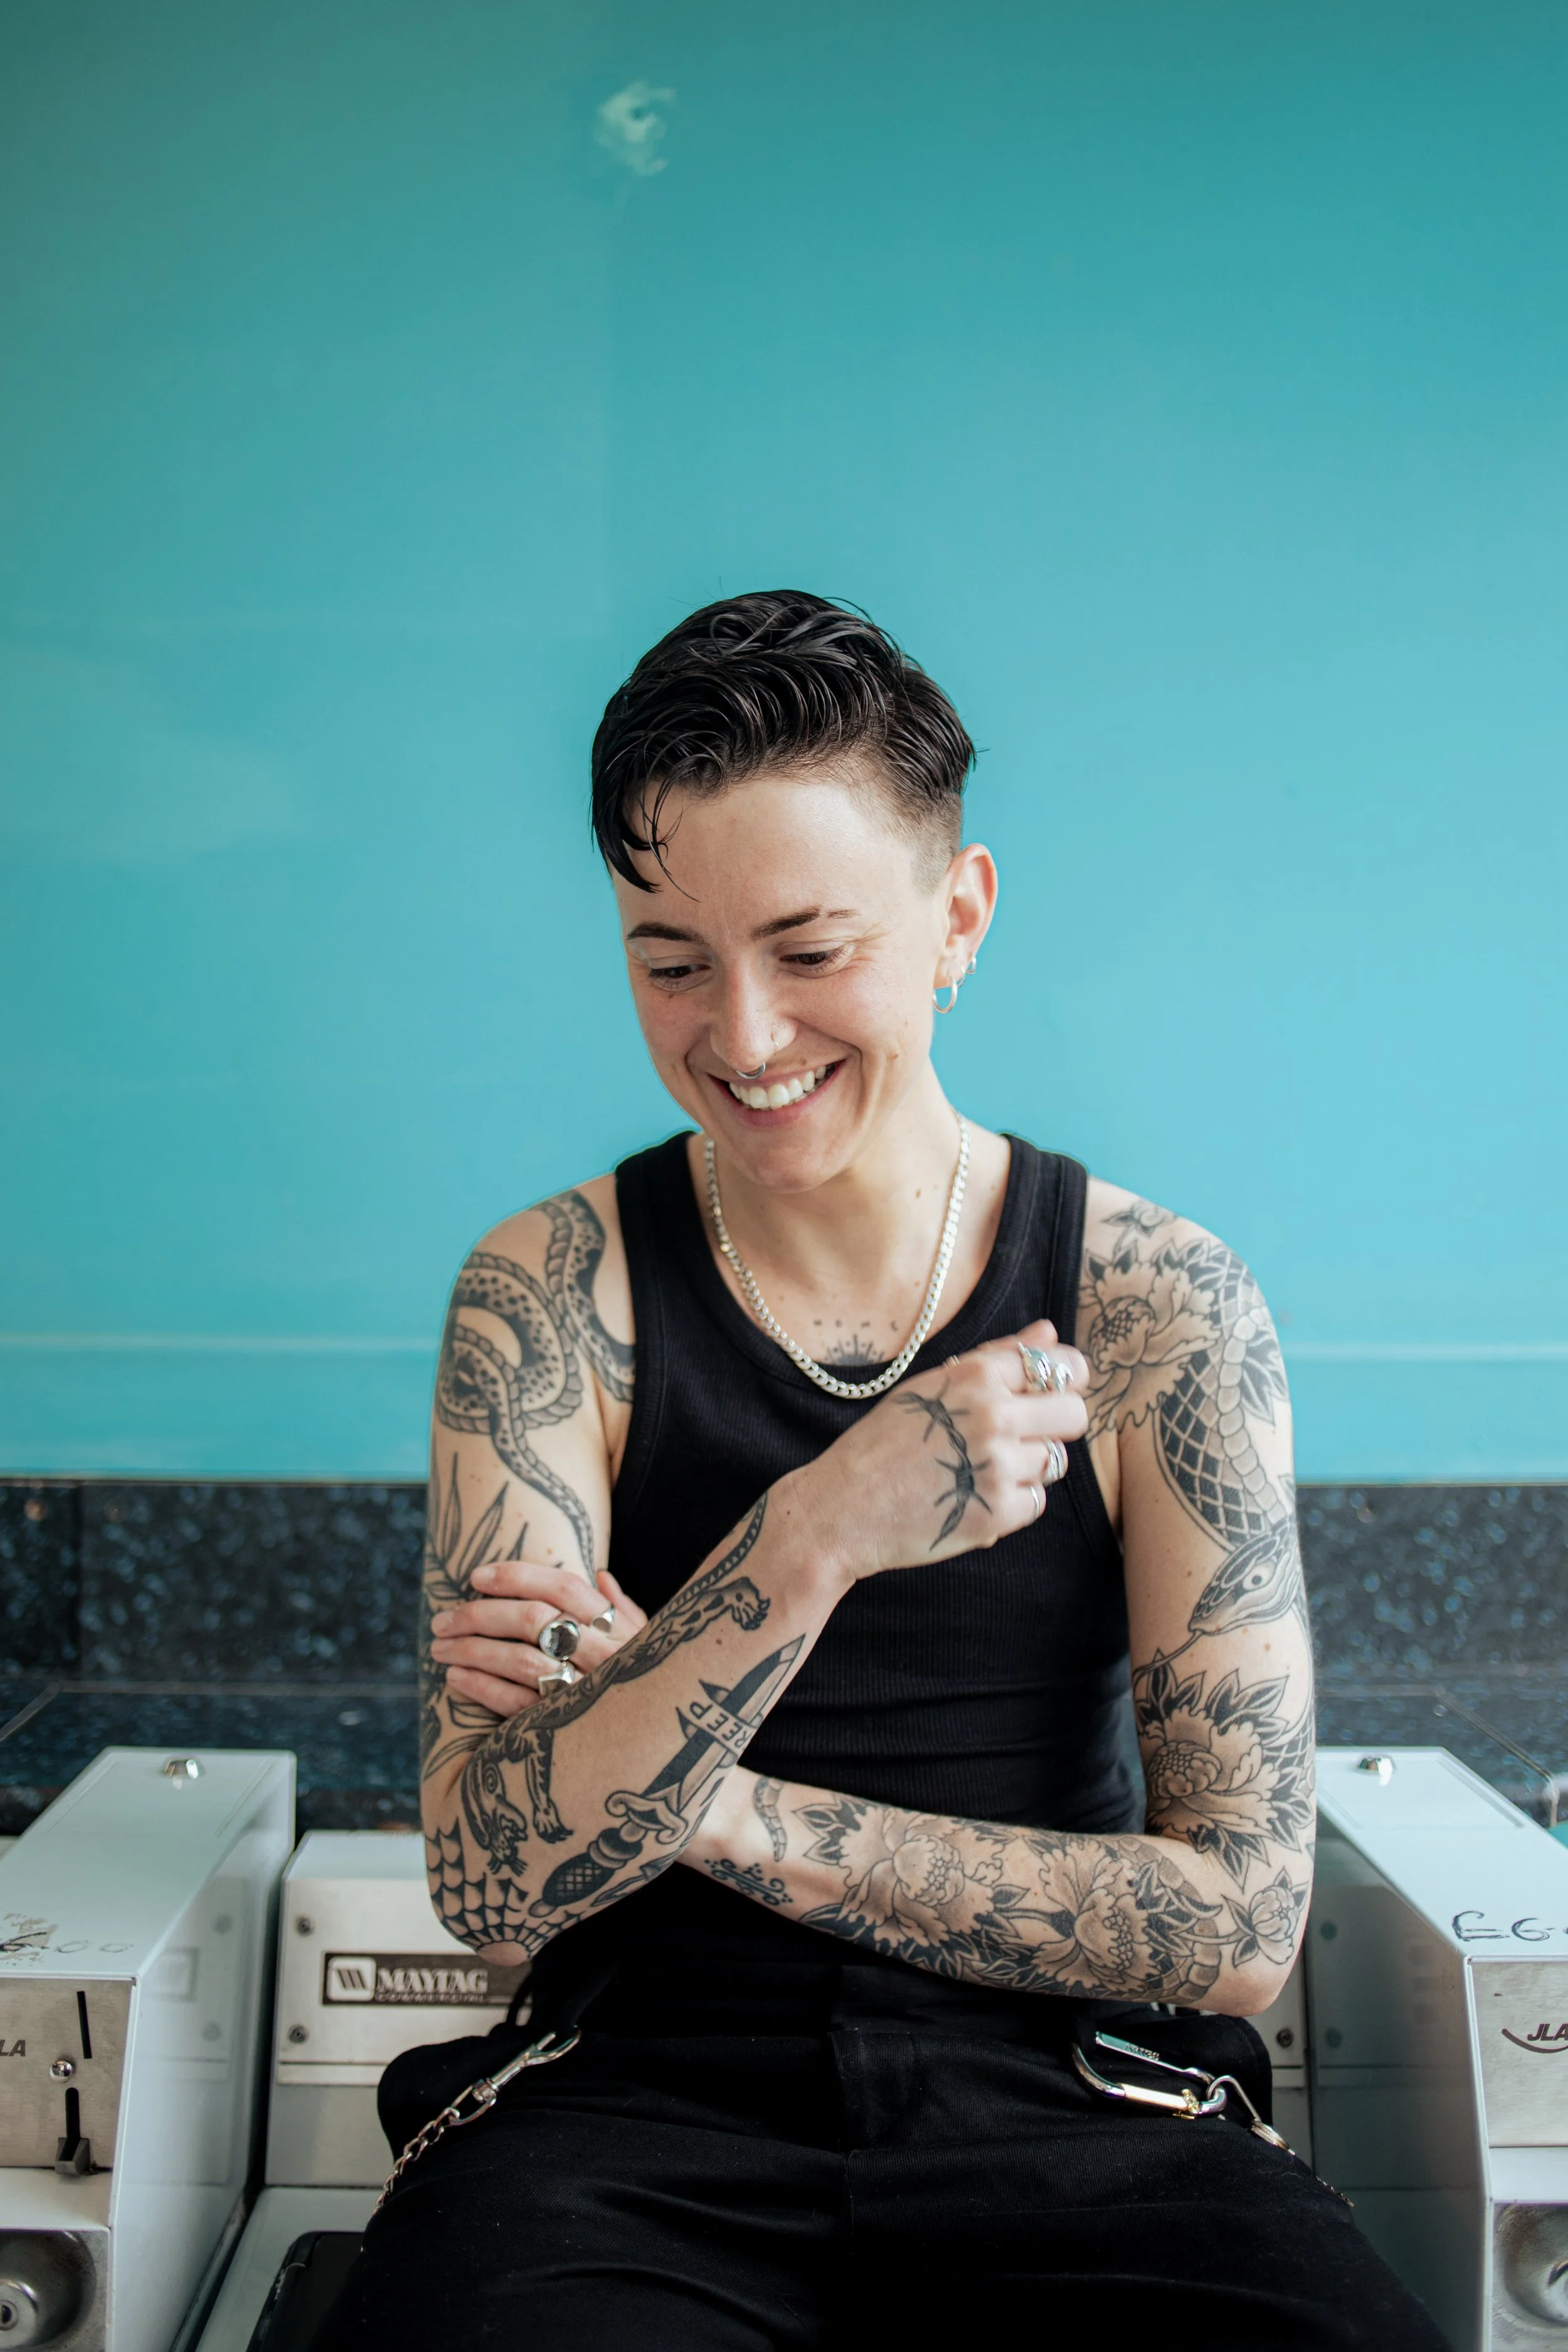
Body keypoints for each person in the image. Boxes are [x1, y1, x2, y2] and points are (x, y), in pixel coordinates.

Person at [322, 594, 1444, 2349]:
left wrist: (690, 1792)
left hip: (1084, 2108)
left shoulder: (1159, 1308)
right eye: (669, 960)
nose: (743, 1035)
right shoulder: (549, 1295)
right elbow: (491, 1887)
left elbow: (1235, 1928)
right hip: (624, 2115)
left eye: (809, 949)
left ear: (957, 916)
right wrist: (815, 1531)